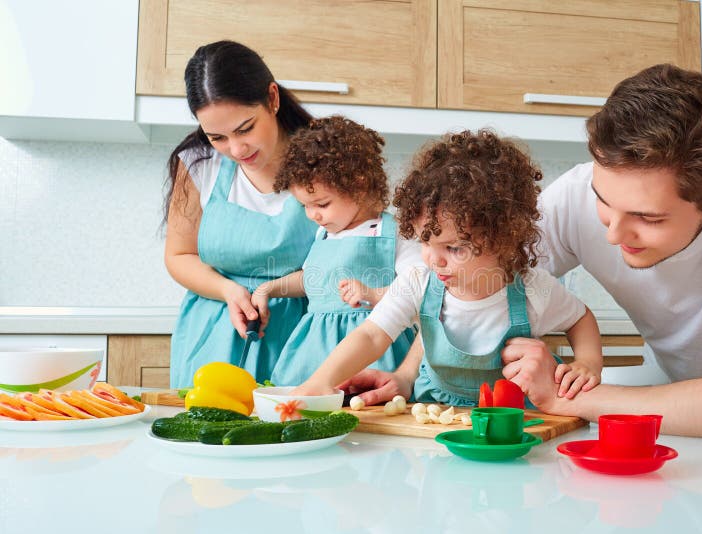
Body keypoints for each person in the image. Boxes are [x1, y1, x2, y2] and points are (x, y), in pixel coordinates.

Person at [499, 64, 702, 533]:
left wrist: (568, 399)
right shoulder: (581, 192)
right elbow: (473, 285)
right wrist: (403, 369)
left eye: (647, 218)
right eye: (604, 201)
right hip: (674, 404)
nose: (614, 232)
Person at [293, 130, 604, 405]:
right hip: (435, 409)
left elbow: (580, 318)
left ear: (504, 239)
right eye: (425, 242)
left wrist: (588, 362)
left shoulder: (533, 288)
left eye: (454, 248)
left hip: (510, 418)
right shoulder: (418, 281)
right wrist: (321, 382)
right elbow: (372, 335)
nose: (434, 259)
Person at [163, 41, 318, 386]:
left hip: (304, 336)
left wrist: (275, 289)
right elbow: (179, 254)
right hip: (215, 335)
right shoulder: (198, 164)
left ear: (272, 99)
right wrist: (228, 291)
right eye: (217, 136)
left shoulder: (324, 161)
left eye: (245, 128)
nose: (236, 149)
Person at [250, 116, 422, 386]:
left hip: (374, 353)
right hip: (313, 357)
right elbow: (311, 279)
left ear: (359, 185)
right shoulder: (324, 234)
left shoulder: (393, 231)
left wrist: (375, 295)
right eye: (305, 206)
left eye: (321, 203)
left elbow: (419, 289)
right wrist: (269, 289)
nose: (312, 215)